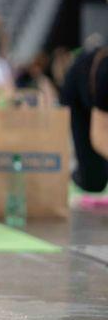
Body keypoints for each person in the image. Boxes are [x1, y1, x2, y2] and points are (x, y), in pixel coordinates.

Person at [60, 46, 108, 205]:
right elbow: (99, 135)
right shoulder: (105, 75)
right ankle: (73, 173)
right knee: (93, 183)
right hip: (79, 94)